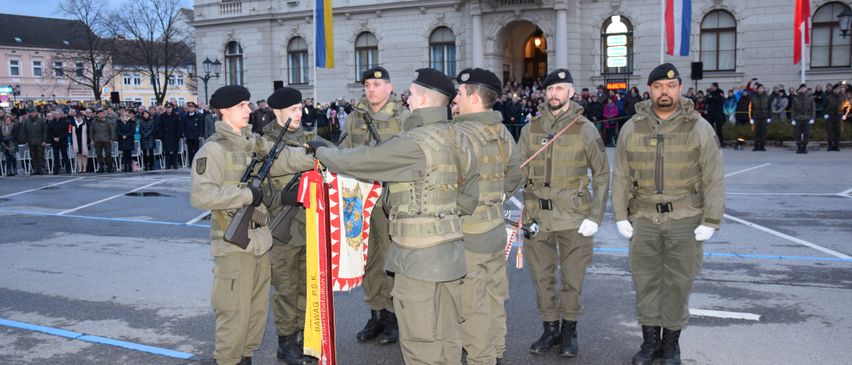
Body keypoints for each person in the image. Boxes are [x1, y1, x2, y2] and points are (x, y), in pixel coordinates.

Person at [310, 68, 475, 365]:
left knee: (421, 343)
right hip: (451, 251)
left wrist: (323, 152)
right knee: (447, 336)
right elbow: (470, 193)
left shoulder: (415, 142)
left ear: (423, 100)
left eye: (411, 94)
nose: (406, 99)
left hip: (417, 257)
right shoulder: (460, 136)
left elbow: (363, 160)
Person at [611, 63, 724, 365]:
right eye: (659, 86)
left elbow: (714, 177)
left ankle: (671, 345)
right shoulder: (632, 128)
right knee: (645, 282)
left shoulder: (699, 127)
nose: (665, 92)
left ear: (680, 89)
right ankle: (650, 344)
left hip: (684, 219)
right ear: (649, 90)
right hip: (644, 219)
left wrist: (711, 220)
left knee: (678, 283)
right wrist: (620, 214)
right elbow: (621, 175)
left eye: (671, 86)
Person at [190, 85, 310, 365]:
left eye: (248, 104)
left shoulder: (253, 144)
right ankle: (228, 360)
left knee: (256, 313)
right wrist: (246, 195)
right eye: (242, 106)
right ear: (224, 111)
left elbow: (284, 158)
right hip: (233, 244)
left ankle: (245, 358)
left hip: (259, 242)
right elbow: (201, 196)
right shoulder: (213, 150)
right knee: (234, 312)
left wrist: (318, 157)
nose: (249, 110)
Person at [519, 68, 610, 358]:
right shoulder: (530, 129)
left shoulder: (585, 129)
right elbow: (517, 171)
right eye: (549, 89)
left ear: (571, 92)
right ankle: (550, 329)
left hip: (574, 218)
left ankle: (569, 331)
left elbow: (602, 174)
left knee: (573, 278)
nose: (554, 94)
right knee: (541, 277)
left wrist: (595, 216)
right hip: (537, 218)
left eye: (560, 89)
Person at [450, 68, 523, 365]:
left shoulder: (459, 133)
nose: (455, 98)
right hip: (495, 228)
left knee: (472, 306)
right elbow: (515, 174)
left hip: (469, 234)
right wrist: (496, 197)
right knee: (494, 297)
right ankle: (496, 353)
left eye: (459, 93)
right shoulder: (501, 131)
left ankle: (482, 359)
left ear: (475, 97)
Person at [341, 66, 410, 345]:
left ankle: (393, 316)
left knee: (389, 259)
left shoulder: (403, 118)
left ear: (389, 88)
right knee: (367, 259)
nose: (371, 89)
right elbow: (344, 152)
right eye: (367, 85)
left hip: (388, 200)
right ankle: (376, 313)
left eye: (377, 85)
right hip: (359, 199)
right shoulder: (355, 118)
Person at [262, 87, 316, 365]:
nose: (299, 114)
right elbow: (256, 190)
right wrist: (284, 198)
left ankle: (305, 337)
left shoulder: (309, 140)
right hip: (283, 227)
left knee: (308, 286)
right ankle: (286, 342)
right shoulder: (264, 144)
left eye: (300, 109)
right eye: (293, 110)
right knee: (286, 287)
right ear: (277, 111)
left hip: (312, 226)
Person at [21, 107, 48, 175]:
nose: (32, 113)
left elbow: (45, 131)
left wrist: (44, 140)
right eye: (31, 112)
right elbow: (24, 132)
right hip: (30, 141)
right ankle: (36, 169)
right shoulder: (26, 121)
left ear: (36, 113)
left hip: (40, 141)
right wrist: (26, 141)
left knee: (40, 156)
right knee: (33, 156)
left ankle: (41, 169)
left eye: (34, 112)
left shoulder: (41, 121)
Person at [791, 83, 816, 154]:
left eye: (804, 88)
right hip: (798, 118)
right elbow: (793, 110)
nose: (803, 89)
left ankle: (804, 147)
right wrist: (793, 119)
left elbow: (812, 109)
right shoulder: (796, 98)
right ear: (799, 89)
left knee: (806, 134)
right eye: (802, 88)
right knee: (797, 134)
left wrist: (812, 118)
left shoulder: (810, 98)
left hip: (807, 118)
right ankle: (799, 147)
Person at [159, 104, 182, 169]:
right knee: (166, 151)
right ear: (165, 108)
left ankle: (175, 164)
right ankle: (168, 164)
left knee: (175, 151)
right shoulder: (162, 116)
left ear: (172, 108)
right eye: (167, 108)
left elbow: (179, 127)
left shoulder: (176, 116)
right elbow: (160, 127)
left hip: (174, 135)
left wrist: (178, 136)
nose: (168, 109)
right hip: (166, 136)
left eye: (170, 107)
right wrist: (161, 136)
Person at [749, 84, 772, 151]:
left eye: (762, 88)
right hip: (756, 116)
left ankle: (762, 146)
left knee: (763, 132)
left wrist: (769, 117)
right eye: (759, 88)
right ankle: (756, 146)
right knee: (756, 132)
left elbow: (769, 108)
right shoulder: (753, 97)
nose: (760, 89)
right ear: (757, 89)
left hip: (764, 116)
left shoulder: (767, 97)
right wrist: (751, 118)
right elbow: (751, 108)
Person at [182, 102, 205, 166]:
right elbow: (183, 127)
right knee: (190, 151)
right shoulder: (185, 117)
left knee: (196, 150)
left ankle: (196, 163)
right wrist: (184, 135)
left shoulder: (198, 116)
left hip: (196, 136)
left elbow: (200, 126)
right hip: (188, 136)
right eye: (189, 107)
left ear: (194, 108)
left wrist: (200, 135)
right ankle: (191, 163)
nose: (191, 108)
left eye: (192, 107)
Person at [824, 83, 845, 151]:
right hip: (830, 116)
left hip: (838, 116)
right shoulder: (828, 97)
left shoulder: (842, 97)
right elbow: (824, 106)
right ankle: (830, 146)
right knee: (829, 132)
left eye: (839, 89)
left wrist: (844, 114)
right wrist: (825, 114)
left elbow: (845, 107)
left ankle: (836, 146)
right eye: (836, 89)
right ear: (833, 89)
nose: (838, 90)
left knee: (838, 132)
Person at [69, 109, 89, 174]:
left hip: (84, 141)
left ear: (82, 117)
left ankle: (85, 168)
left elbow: (88, 132)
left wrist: (88, 141)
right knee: (78, 155)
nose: (78, 118)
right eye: (77, 117)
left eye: (79, 117)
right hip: (76, 141)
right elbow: (69, 132)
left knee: (84, 155)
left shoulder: (85, 123)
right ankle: (80, 169)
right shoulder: (72, 124)